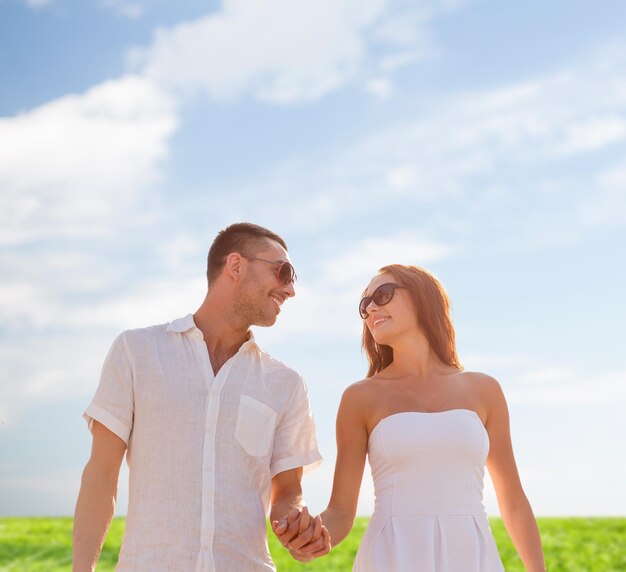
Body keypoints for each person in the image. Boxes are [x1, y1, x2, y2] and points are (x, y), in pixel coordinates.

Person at [72, 222, 325, 571]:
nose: (291, 290)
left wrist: (298, 527)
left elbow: (287, 491)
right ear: (235, 266)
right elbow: (101, 475)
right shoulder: (137, 351)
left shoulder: (286, 383)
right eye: (283, 272)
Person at [274, 264, 546, 571]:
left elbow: (513, 502)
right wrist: (310, 538)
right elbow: (340, 512)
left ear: (422, 299)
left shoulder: (484, 390)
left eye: (383, 294)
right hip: (391, 556)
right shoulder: (360, 398)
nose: (371, 308)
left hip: (471, 556)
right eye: (364, 305)